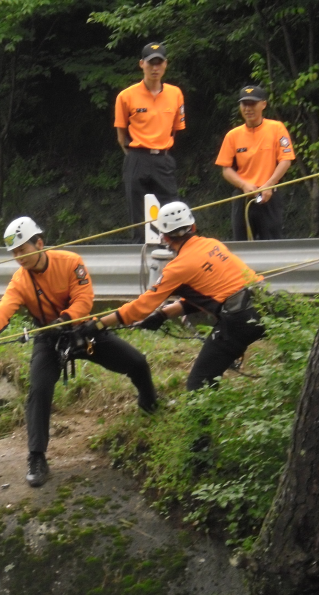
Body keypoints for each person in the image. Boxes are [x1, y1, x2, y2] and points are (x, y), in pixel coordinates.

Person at [0, 216, 158, 487]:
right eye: (14, 253)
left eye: (22, 250)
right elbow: (3, 309)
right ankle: (36, 457)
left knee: (136, 361)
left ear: (39, 244)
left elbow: (84, 299)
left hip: (82, 332)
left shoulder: (70, 262)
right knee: (39, 390)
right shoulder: (20, 281)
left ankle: (149, 404)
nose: (18, 257)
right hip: (48, 339)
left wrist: (63, 320)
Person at [88, 202, 265, 391]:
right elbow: (208, 294)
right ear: (193, 227)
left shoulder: (177, 268)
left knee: (199, 385)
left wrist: (99, 324)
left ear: (164, 237)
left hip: (238, 321)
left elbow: (140, 308)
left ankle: (204, 419)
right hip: (265, 303)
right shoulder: (213, 244)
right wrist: (163, 315)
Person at [114, 42, 186, 243]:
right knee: (139, 217)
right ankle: (141, 258)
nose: (155, 68)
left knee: (173, 212)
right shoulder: (126, 96)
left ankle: (175, 255)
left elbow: (176, 129)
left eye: (159, 63)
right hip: (137, 157)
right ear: (141, 64)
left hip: (163, 158)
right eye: (150, 63)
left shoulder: (175, 93)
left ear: (165, 65)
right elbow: (121, 135)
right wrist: (136, 156)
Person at [215, 85, 295, 241]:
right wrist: (244, 185)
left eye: (252, 104)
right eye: (244, 104)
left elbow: (286, 160)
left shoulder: (276, 128)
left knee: (272, 243)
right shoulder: (233, 135)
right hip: (243, 196)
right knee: (242, 244)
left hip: (270, 194)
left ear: (263, 104)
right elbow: (226, 169)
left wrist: (269, 185)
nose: (248, 109)